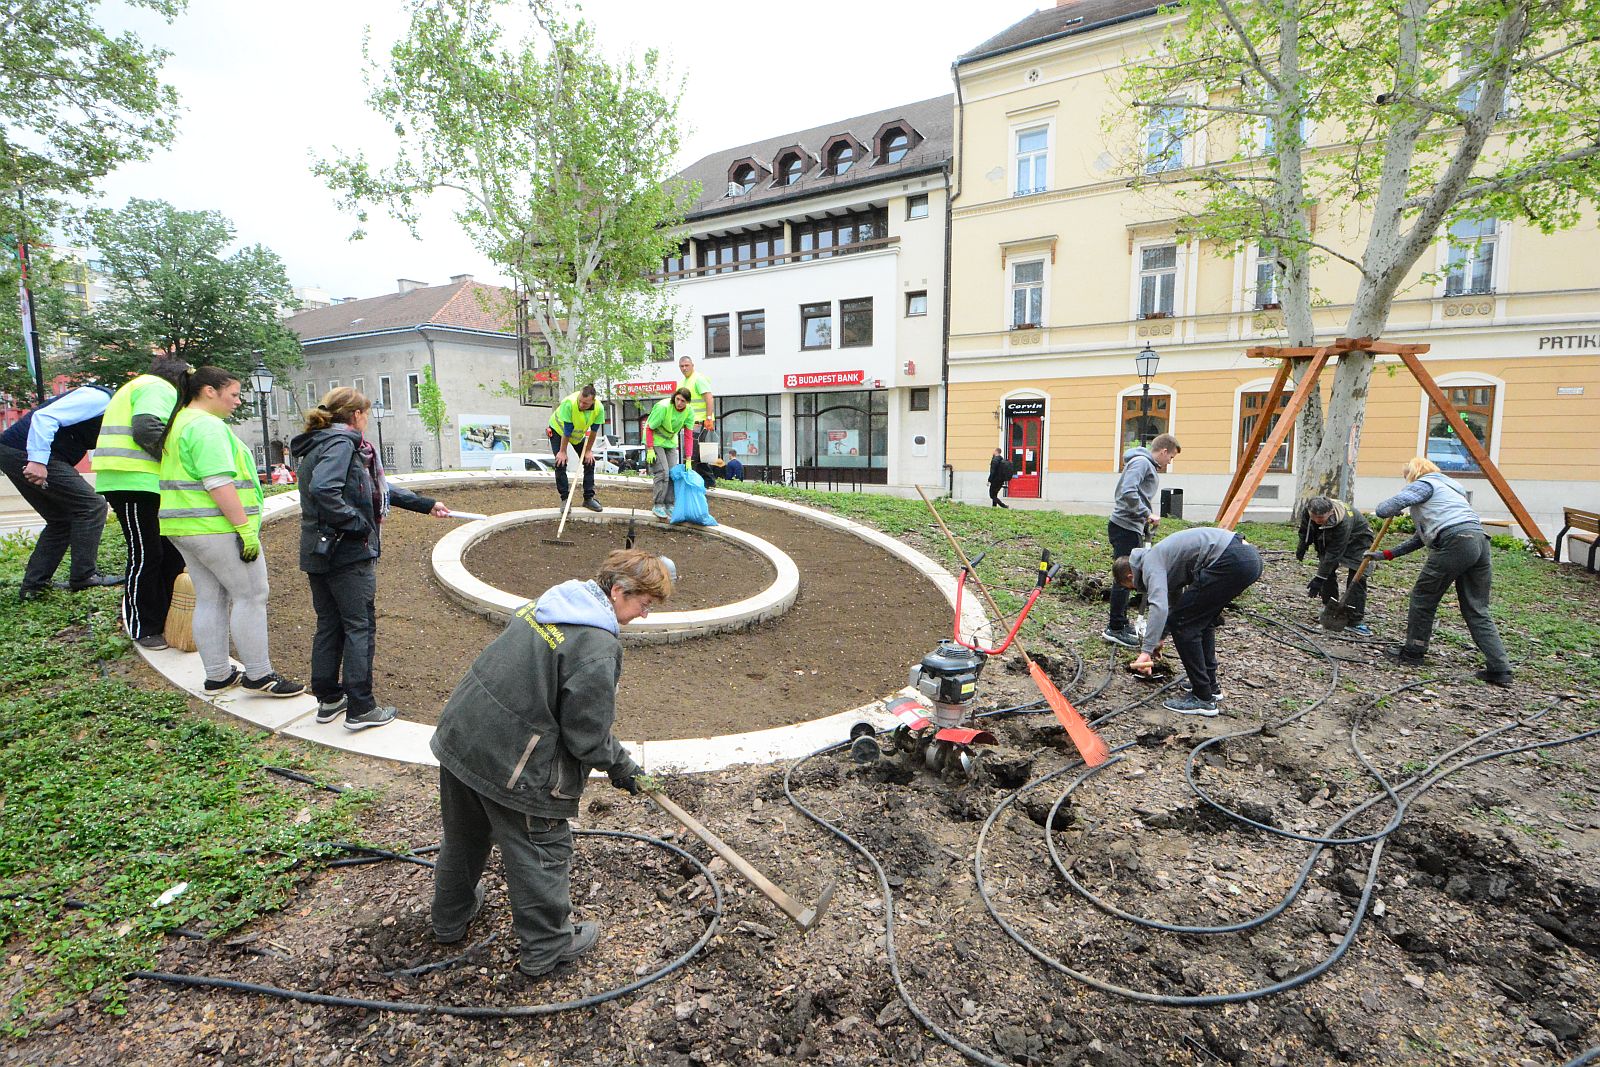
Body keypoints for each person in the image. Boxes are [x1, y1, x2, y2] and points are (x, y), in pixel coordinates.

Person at [429, 549, 673, 978]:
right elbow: (588, 737)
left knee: (465, 832)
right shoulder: (597, 647)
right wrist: (624, 770)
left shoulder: (553, 602)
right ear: (617, 591)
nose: (645, 616)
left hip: (463, 733)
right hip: (513, 762)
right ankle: (547, 948)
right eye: (644, 605)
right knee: (541, 851)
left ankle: (450, 918)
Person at [291, 388, 453, 731]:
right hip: (346, 552)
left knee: (329, 623)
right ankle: (361, 707)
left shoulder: (321, 441)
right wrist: (357, 525)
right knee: (358, 625)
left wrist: (426, 504)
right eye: (365, 413)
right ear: (357, 416)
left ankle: (329, 698)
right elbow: (325, 490)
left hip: (317, 549)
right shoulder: (343, 443)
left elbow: (374, 487)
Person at [157, 366, 304, 697]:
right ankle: (259, 675)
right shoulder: (207, 428)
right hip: (216, 528)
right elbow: (218, 483)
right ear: (209, 391)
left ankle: (218, 675)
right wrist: (244, 530)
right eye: (234, 394)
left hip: (184, 527)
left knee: (211, 597)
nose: (238, 402)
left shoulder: (181, 422)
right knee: (251, 595)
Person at [1369, 457, 1513, 687]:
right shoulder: (1452, 490)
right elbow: (1422, 538)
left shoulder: (1425, 484)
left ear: (1414, 473)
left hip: (1456, 542)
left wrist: (1394, 507)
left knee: (1423, 598)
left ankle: (1413, 652)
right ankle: (1500, 668)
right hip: (1479, 542)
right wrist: (1387, 554)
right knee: (1477, 608)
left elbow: (1382, 510)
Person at [91, 356, 191, 646]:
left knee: (165, 554)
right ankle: (143, 626)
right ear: (182, 379)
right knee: (146, 553)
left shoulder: (145, 386)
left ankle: (163, 621)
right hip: (132, 482)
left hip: (141, 482)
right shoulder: (157, 386)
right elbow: (146, 428)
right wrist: (180, 464)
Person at [1115, 525, 1262, 716]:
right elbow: (1177, 605)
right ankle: (1210, 686)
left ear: (1129, 575)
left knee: (1185, 626)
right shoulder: (1164, 560)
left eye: (1130, 587)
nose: (1135, 590)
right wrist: (1160, 636)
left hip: (1230, 559)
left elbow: (1159, 607)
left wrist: (1146, 650)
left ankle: (1203, 698)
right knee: (1201, 620)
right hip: (1246, 558)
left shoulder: (1151, 562)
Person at [0, 383, 123, 601]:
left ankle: (33, 588)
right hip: (24, 451)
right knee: (91, 505)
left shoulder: (117, 410)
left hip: (14, 451)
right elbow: (44, 417)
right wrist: (37, 460)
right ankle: (84, 576)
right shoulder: (100, 398)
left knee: (61, 519)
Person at [1102, 433, 1181, 648]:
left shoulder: (1145, 465)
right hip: (1124, 526)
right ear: (1163, 451)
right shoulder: (1141, 463)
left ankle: (1121, 622)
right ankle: (1115, 627)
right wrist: (1146, 513)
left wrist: (1144, 519)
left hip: (1130, 526)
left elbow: (1135, 493)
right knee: (1127, 574)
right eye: (1171, 457)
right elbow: (1127, 491)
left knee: (1129, 573)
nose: (1169, 462)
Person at [1296, 495, 1376, 636]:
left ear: (1331, 512)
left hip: (1359, 541)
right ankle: (1330, 607)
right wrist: (1302, 545)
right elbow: (1305, 529)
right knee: (1327, 572)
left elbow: (1334, 553)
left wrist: (1319, 579)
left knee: (1357, 578)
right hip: (1328, 537)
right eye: (1313, 517)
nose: (1316, 521)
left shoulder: (1344, 521)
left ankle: (1355, 619)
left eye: (1320, 519)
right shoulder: (1309, 511)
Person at [546, 385, 605, 513]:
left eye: (585, 403)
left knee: (590, 461)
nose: (581, 404)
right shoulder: (569, 403)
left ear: (593, 401)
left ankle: (588, 498)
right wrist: (562, 452)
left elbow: (594, 431)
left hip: (577, 435)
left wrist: (588, 451)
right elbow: (566, 431)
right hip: (559, 431)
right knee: (560, 462)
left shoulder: (599, 408)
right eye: (580, 401)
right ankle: (565, 499)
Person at [644, 388, 694, 520]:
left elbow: (689, 436)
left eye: (683, 401)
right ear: (674, 398)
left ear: (687, 402)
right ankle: (658, 504)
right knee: (662, 472)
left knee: (673, 473)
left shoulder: (689, 412)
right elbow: (649, 428)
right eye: (677, 399)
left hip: (670, 441)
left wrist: (688, 459)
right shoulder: (663, 407)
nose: (679, 403)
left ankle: (669, 504)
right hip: (654, 440)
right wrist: (650, 449)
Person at [677, 355, 716, 490]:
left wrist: (709, 418)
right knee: (698, 454)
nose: (684, 368)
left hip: (700, 423)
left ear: (692, 365)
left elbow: (709, 399)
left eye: (686, 365)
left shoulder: (698, 379)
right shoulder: (682, 383)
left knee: (692, 454)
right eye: (681, 366)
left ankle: (694, 482)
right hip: (690, 424)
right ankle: (707, 482)